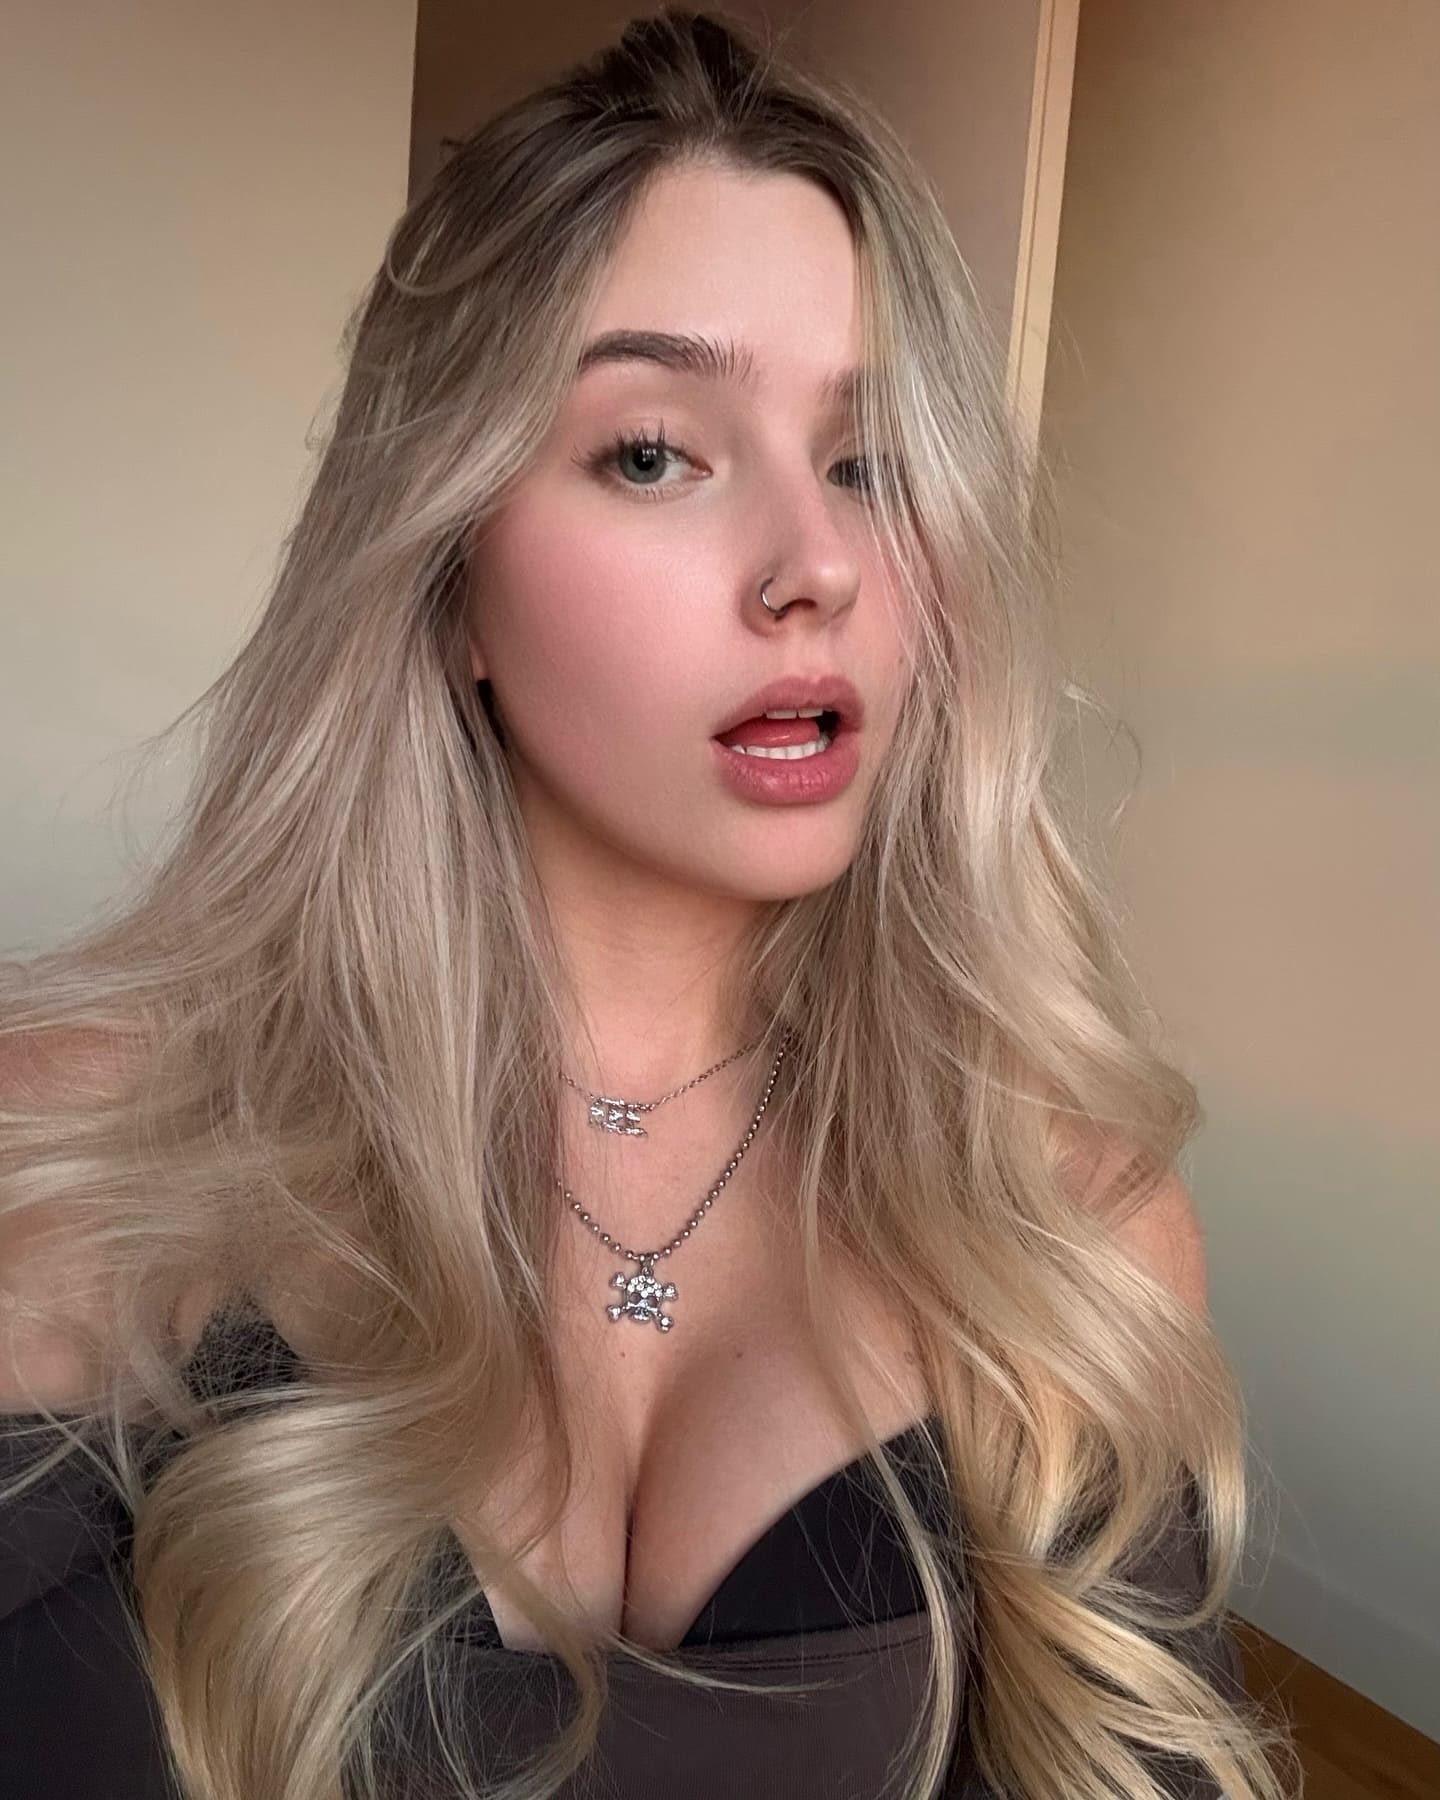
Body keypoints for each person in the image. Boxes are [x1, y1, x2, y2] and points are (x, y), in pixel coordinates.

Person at [0, 10, 1296, 1800]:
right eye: (652, 453)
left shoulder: (1063, 1216)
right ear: (446, 569)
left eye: (866, 461)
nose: (815, 566)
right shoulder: (76, 1148)